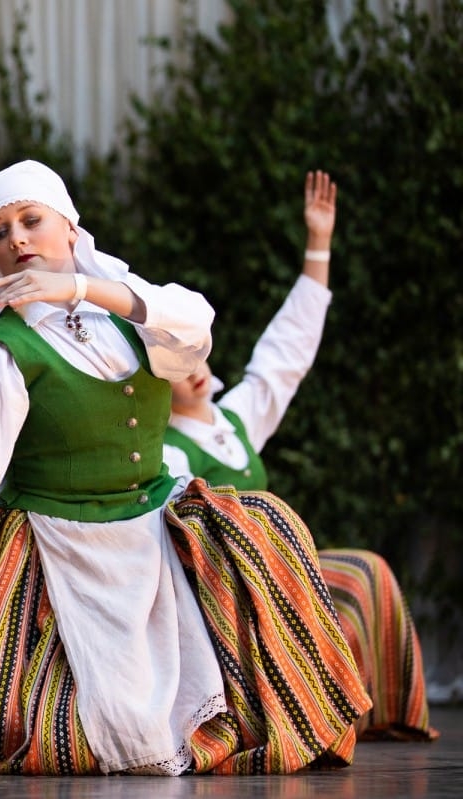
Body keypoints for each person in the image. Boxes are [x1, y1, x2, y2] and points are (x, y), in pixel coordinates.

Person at [0, 159, 370, 775]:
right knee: (107, 730)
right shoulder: (1, 346)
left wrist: (79, 288)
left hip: (151, 530)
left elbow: (194, 324)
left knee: (265, 526)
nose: (17, 239)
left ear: (71, 229)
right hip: (60, 540)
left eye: (31, 221)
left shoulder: (130, 320)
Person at [163, 170, 437, 742]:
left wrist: (318, 243)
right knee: (339, 581)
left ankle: (375, 713)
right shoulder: (167, 451)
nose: (189, 365)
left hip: (281, 568)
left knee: (369, 574)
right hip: (230, 587)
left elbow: (288, 348)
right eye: (171, 360)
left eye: (190, 351)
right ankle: (313, 719)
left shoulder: (237, 417)